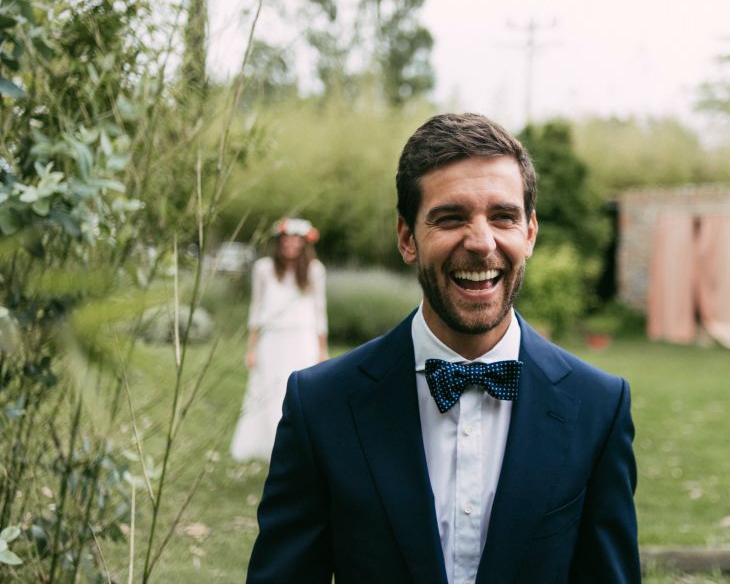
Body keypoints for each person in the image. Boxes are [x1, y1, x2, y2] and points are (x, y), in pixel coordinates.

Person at [247, 113, 640, 583]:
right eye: (451, 218)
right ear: (407, 238)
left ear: (530, 232)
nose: (480, 242)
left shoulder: (599, 407)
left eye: (503, 216)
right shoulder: (321, 405)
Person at [230, 217, 328, 461]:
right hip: (272, 339)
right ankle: (269, 445)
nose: (292, 245)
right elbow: (256, 309)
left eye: (298, 240)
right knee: (267, 390)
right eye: (287, 239)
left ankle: (298, 446)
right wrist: (251, 347)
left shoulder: (315, 270)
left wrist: (321, 349)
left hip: (302, 337)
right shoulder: (264, 268)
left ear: (305, 244)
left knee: (299, 391)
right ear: (280, 241)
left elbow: (319, 311)